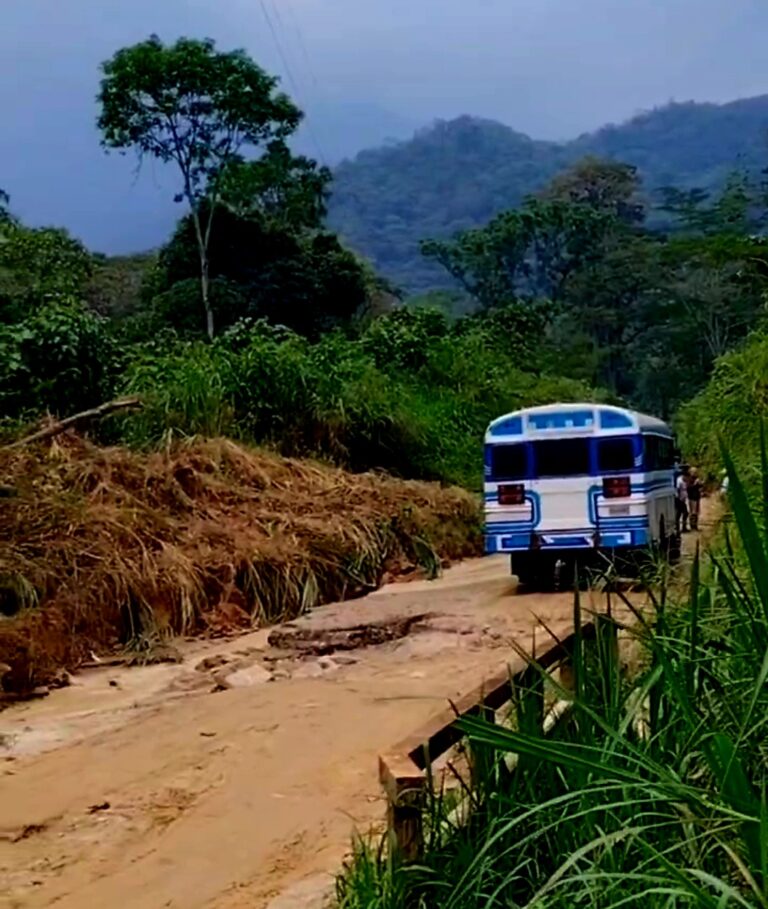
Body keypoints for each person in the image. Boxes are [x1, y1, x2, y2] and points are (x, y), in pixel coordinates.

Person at [675, 466, 689, 534]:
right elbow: (677, 489)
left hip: (683, 499)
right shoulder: (679, 480)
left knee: (682, 513)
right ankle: (679, 528)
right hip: (679, 499)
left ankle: (682, 527)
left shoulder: (685, 480)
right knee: (682, 513)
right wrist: (678, 498)